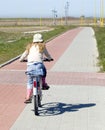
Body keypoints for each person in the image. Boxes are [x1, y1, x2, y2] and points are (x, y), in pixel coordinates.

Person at [19, 33, 53, 103]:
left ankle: (28, 97)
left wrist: (21, 59)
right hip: (39, 65)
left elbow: (24, 54)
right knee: (44, 71)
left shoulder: (29, 46)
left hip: (30, 66)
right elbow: (47, 54)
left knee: (30, 82)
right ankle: (43, 84)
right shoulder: (42, 46)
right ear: (41, 40)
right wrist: (50, 58)